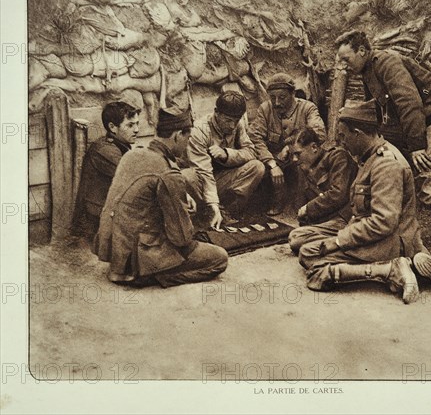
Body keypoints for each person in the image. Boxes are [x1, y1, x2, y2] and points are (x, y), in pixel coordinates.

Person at [296, 101, 431, 304]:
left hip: (390, 242)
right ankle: (416, 268)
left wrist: (339, 241)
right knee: (305, 246)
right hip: (372, 232)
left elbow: (383, 222)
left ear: (357, 133)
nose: (342, 142)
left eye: (343, 136)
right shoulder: (370, 156)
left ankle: (388, 270)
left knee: (315, 270)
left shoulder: (386, 165)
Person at [335, 30, 431, 263]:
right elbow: (377, 110)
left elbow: (409, 101)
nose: (343, 66)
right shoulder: (367, 71)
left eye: (346, 58)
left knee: (427, 168)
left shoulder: (387, 62)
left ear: (362, 51)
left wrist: (417, 146)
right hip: (422, 117)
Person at [93, 106, 228, 288]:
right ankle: (150, 275)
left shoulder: (132, 154)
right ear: (177, 135)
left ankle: (125, 269)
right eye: (187, 138)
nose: (188, 144)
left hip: (113, 250)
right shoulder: (168, 173)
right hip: (139, 254)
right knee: (219, 258)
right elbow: (181, 238)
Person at [248, 72, 326, 215]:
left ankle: (303, 203)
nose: (277, 103)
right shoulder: (265, 109)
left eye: (282, 97)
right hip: (275, 159)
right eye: (272, 98)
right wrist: (272, 163)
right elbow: (254, 137)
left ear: (293, 94)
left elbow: (319, 133)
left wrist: (290, 146)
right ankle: (275, 199)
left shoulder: (308, 108)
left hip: (298, 158)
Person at [185, 91, 265, 229]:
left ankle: (227, 211)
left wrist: (227, 155)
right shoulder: (200, 130)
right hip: (201, 183)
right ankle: (206, 212)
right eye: (228, 120)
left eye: (236, 120)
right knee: (188, 176)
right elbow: (203, 172)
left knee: (257, 167)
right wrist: (213, 204)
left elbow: (251, 152)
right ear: (217, 113)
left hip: (221, 180)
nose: (232, 126)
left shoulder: (237, 125)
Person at [72, 101, 140, 242]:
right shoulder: (104, 150)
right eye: (130, 125)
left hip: (107, 211)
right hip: (95, 220)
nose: (136, 130)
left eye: (137, 124)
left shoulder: (119, 145)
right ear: (112, 127)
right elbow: (137, 176)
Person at [287, 128, 357, 253]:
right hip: (327, 221)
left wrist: (308, 208)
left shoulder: (337, 157)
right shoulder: (305, 166)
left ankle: (344, 241)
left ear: (314, 147)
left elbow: (338, 194)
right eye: (292, 155)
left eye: (298, 153)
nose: (295, 159)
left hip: (345, 219)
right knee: (296, 237)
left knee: (297, 239)